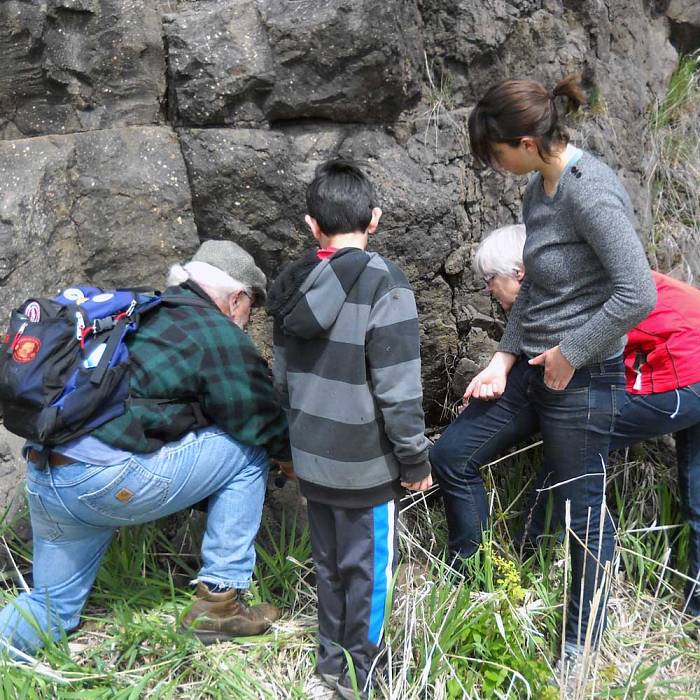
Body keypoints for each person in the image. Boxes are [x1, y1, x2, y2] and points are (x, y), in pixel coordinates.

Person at [430, 76, 657, 665]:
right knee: (452, 454)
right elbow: (531, 295)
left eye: (496, 152)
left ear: (527, 141)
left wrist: (570, 352)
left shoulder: (592, 191)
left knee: (583, 511)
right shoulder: (539, 189)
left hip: (581, 379)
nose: (494, 164)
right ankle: (475, 587)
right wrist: (502, 360)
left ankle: (580, 647)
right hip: (531, 369)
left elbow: (637, 293)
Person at [0, 240, 291, 659]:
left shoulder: (141, 312)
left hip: (48, 474)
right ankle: (219, 604)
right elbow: (261, 422)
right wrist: (297, 464)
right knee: (249, 452)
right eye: (249, 309)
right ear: (237, 299)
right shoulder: (216, 332)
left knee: (50, 608)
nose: (245, 322)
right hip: (100, 481)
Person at [471, 222, 700, 622]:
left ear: (520, 273)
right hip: (686, 361)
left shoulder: (571, 293)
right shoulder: (588, 272)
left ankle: (531, 556)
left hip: (688, 369)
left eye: (491, 280)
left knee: (571, 442)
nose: (489, 290)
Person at [267, 159, 432, 699]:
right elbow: (398, 389)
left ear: (312, 225)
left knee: (330, 567)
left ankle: (329, 667)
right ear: (376, 219)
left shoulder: (293, 286)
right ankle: (363, 678)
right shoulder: (386, 284)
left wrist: (287, 450)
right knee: (369, 575)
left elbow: (282, 384)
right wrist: (414, 460)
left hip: (314, 462)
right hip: (367, 468)